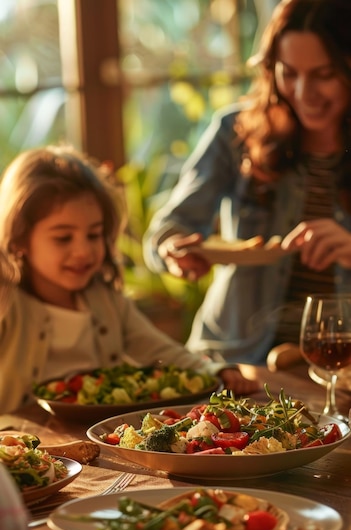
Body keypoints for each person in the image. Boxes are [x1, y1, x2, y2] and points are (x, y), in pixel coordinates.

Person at [143, 0, 351, 365]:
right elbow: (164, 233)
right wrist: (174, 251)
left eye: (324, 74)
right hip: (235, 362)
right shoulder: (234, 133)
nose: (304, 93)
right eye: (290, 73)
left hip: (338, 369)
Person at [0, 145, 259, 414]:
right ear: (19, 239)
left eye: (94, 234)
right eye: (63, 238)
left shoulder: (107, 301)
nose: (83, 251)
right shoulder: (7, 304)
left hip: (99, 440)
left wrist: (213, 370)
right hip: (22, 446)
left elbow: (161, 350)